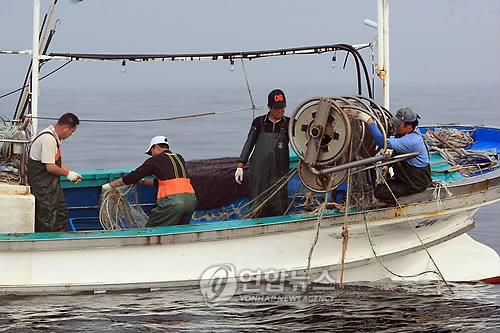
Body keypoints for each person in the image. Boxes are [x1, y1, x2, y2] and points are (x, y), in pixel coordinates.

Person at [102, 136, 197, 227]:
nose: (151, 155)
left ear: (155, 147)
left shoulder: (155, 160)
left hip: (173, 203)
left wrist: (110, 185)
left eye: (151, 152)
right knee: (180, 229)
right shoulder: (179, 158)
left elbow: (133, 177)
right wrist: (142, 182)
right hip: (191, 201)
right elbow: (165, 182)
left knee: (151, 229)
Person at [354, 107, 432, 200]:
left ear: (409, 126)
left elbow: (382, 143)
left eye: (398, 125)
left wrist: (370, 122)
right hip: (407, 177)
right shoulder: (411, 131)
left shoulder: (412, 141)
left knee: (380, 191)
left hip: (415, 183)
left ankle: (392, 205)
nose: (395, 126)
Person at [234, 89, 290, 217]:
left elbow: (305, 137)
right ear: (269, 107)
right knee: (257, 199)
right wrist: (240, 165)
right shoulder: (259, 122)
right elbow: (249, 143)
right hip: (259, 169)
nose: (281, 110)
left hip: (279, 169)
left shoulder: (289, 124)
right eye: (277, 108)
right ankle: (256, 221)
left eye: (283, 107)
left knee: (278, 200)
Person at [27, 113, 82, 232]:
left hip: (52, 186)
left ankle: (60, 237)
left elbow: (55, 162)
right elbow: (50, 167)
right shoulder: (48, 139)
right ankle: (45, 242)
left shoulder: (53, 137)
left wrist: (70, 172)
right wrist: (67, 174)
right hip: (42, 187)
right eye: (71, 132)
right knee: (47, 217)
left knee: (61, 212)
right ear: (65, 128)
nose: (70, 135)